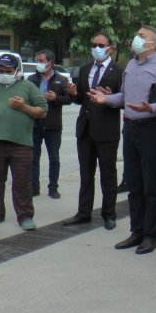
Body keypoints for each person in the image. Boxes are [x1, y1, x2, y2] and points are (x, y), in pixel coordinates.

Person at [89, 25, 156, 254]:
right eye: (137, 35)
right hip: (130, 128)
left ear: (153, 44)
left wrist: (152, 107)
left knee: (150, 185)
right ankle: (136, 231)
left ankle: (151, 235)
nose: (136, 39)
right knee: (134, 185)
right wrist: (107, 99)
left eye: (142, 36)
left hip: (152, 129)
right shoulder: (131, 64)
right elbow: (126, 97)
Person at [0, 54, 47, 231]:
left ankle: (25, 216)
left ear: (17, 71)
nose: (4, 73)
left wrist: (24, 107)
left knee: (22, 183)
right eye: (2, 70)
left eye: (8, 70)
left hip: (20, 144)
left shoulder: (28, 87)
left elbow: (43, 110)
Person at [62, 32, 123, 230]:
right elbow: (82, 98)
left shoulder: (119, 71)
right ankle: (84, 212)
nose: (97, 47)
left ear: (110, 48)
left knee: (108, 173)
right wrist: (74, 94)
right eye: (94, 44)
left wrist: (111, 97)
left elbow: (125, 100)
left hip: (107, 129)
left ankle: (109, 213)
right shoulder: (85, 68)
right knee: (86, 174)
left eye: (101, 44)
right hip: (86, 128)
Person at [27, 49, 71, 199]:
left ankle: (53, 187)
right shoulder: (32, 79)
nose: (38, 64)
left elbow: (69, 99)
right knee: (33, 157)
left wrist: (56, 98)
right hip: (34, 123)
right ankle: (34, 187)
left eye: (41, 61)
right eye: (37, 60)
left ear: (50, 63)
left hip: (53, 125)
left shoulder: (61, 80)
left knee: (54, 158)